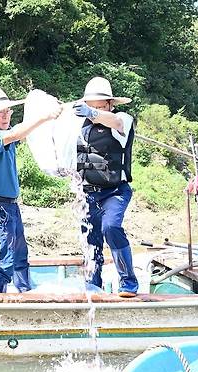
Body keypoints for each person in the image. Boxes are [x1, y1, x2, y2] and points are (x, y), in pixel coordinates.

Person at [0, 84, 60, 293]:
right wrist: (45, 116)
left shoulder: (3, 136)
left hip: (10, 207)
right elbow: (17, 133)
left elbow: (20, 133)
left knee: (20, 256)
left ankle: (24, 294)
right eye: (0, 112)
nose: (5, 115)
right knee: (5, 261)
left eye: (7, 111)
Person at [73, 76, 138, 297]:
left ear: (110, 104)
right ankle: (94, 286)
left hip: (115, 191)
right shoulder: (82, 127)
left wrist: (93, 114)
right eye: (91, 107)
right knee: (91, 239)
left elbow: (116, 124)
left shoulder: (123, 118)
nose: (94, 112)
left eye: (99, 107)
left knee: (111, 227)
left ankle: (128, 282)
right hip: (89, 193)